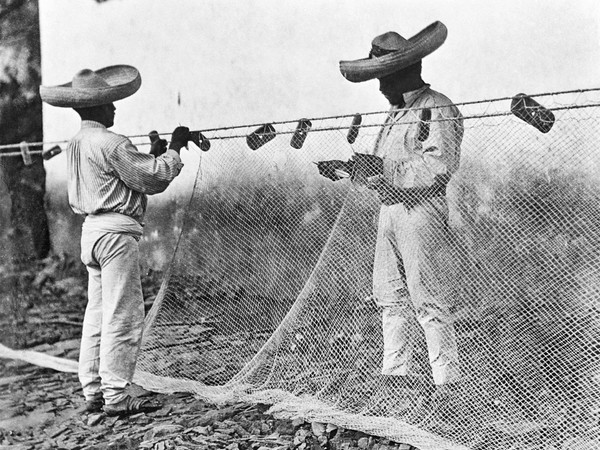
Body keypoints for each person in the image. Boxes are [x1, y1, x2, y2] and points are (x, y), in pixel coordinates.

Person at [318, 21, 464, 408]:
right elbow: (384, 167)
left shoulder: (437, 106)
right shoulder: (396, 113)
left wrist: (379, 168)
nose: (380, 87)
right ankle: (394, 377)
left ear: (403, 72)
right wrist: (351, 168)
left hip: (422, 212)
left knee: (428, 297)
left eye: (384, 78)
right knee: (389, 296)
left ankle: (446, 383)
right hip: (390, 211)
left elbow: (439, 165)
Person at [40, 65, 192, 416]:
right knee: (123, 313)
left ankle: (94, 388)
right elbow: (153, 178)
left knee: (97, 313)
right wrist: (174, 150)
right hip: (115, 233)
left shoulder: (76, 143)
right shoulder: (112, 143)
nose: (114, 108)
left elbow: (127, 174)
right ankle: (117, 395)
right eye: (109, 103)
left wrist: (153, 149)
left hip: (91, 232)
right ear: (96, 108)